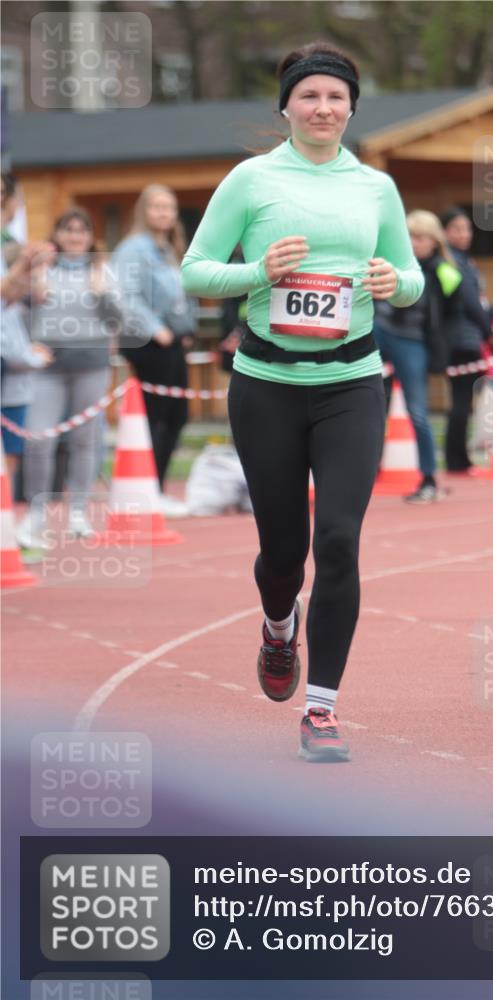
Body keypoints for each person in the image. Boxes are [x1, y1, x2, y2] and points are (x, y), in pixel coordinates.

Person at [182, 41, 424, 762]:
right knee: (283, 552)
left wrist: (392, 282)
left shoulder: (375, 187)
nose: (323, 108)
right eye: (309, 96)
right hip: (267, 386)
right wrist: (259, 271)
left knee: (340, 542)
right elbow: (197, 271)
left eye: (335, 97)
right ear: (286, 106)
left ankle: (321, 711)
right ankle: (276, 623)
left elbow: (409, 277)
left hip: (351, 384)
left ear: (352, 107)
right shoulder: (252, 180)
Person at [15, 207, 122, 546]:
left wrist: (101, 292)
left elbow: (117, 320)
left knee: (84, 440)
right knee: (39, 439)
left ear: (91, 237)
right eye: (68, 229)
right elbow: (17, 315)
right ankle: (37, 512)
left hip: (91, 365)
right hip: (48, 368)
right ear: (57, 234)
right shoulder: (41, 268)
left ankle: (78, 510)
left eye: (82, 230)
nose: (75, 236)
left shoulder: (103, 269)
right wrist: (34, 294)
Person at [112, 185, 198, 517]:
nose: (164, 213)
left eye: (169, 207)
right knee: (157, 417)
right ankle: (149, 492)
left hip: (173, 341)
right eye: (157, 207)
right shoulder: (134, 249)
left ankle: (157, 488)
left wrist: (184, 328)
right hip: (147, 342)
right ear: (143, 210)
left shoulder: (168, 248)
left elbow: (179, 293)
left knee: (177, 415)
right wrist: (155, 329)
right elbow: (124, 295)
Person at [373, 209, 461, 503]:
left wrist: (443, 350)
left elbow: (454, 311)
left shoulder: (443, 271)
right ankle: (362, 472)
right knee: (361, 404)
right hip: (379, 332)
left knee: (418, 412)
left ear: (434, 241)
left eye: (420, 237)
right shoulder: (389, 260)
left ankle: (428, 478)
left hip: (412, 343)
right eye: (409, 236)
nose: (413, 242)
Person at [0, 173, 54, 488]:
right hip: (10, 353)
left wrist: (33, 268)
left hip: (10, 355)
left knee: (12, 444)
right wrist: (25, 265)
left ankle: (4, 519)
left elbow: (16, 297)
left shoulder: (9, 240)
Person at [439, 206, 493, 474]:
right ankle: (457, 460)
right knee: (461, 400)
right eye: (456, 229)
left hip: (466, 336)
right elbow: (469, 301)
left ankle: (458, 458)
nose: (463, 234)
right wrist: (487, 328)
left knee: (463, 400)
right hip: (460, 338)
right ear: (444, 233)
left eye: (467, 228)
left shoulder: (465, 260)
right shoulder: (451, 262)